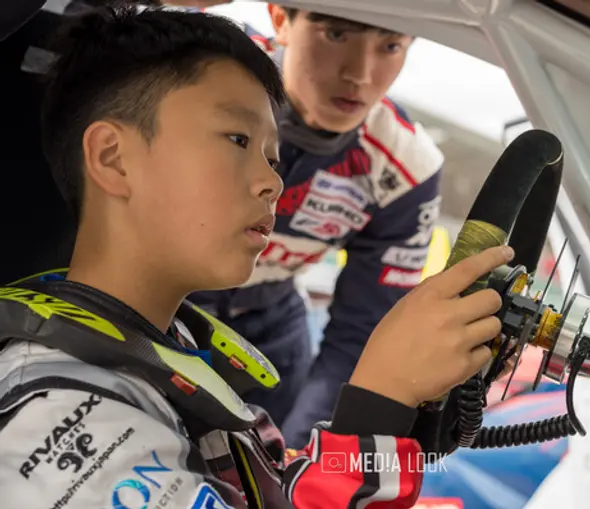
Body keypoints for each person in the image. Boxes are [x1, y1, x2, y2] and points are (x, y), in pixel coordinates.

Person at [0, 5, 510, 507]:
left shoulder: (181, 352)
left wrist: (380, 428)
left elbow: (274, 489)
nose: (273, 182)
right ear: (113, 157)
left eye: (273, 156)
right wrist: (379, 404)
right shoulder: (58, 415)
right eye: (238, 140)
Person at [177, 3, 445, 449]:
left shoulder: (407, 167)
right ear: (280, 20)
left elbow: (361, 336)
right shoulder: (196, 66)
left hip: (271, 329)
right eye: (336, 35)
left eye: (390, 46)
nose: (359, 74)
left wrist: (306, 453)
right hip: (160, 299)